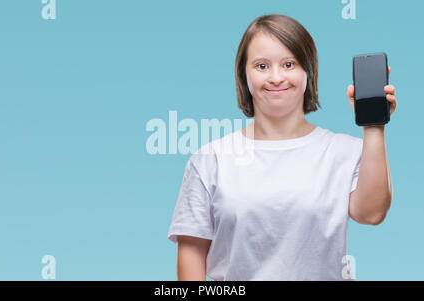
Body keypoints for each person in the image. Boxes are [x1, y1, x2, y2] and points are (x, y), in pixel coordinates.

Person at [167, 14, 396, 281]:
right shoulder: (210, 159)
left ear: (308, 71)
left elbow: (371, 213)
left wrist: (374, 128)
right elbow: (191, 256)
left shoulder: (345, 151)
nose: (276, 78)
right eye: (262, 66)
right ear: (244, 74)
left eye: (289, 64)